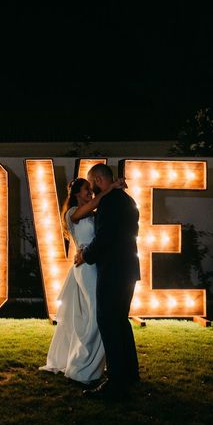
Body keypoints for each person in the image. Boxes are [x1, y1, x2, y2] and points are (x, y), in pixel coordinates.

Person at [39, 176, 125, 384]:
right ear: (77, 193)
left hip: (96, 264)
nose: (90, 193)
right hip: (85, 267)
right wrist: (110, 188)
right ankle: (81, 366)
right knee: (95, 312)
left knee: (92, 313)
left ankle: (92, 364)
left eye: (91, 190)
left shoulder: (94, 214)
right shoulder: (72, 214)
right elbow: (96, 202)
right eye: (87, 190)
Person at [75, 163, 140, 399]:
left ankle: (115, 382)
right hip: (129, 269)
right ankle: (130, 374)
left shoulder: (109, 202)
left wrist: (85, 255)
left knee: (108, 321)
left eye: (92, 184)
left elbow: (105, 237)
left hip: (113, 270)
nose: (91, 190)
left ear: (99, 180)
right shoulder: (127, 200)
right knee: (121, 321)